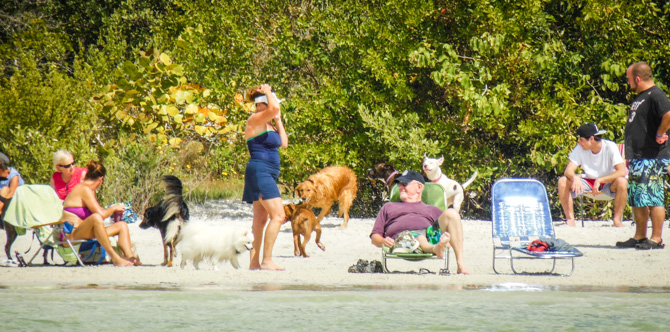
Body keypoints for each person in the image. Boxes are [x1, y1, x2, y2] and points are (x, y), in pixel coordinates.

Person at [370, 170, 470, 274]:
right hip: (401, 241)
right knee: (419, 237)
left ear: (419, 187)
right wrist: (383, 241)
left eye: (405, 184)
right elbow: (374, 237)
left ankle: (460, 265)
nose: (400, 188)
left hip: (429, 236)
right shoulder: (388, 207)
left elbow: (450, 227)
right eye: (400, 184)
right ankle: (435, 248)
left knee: (452, 213)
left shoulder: (432, 209)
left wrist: (447, 240)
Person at [618, 61, 670, 249]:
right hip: (639, 157)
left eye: (629, 78)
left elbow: (668, 115)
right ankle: (640, 236)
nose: (628, 81)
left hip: (653, 156)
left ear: (637, 78)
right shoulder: (641, 96)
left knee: (654, 196)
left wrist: (659, 134)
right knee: (637, 196)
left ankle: (656, 238)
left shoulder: (656, 95)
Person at [242, 84, 288, 270]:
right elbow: (274, 107)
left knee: (260, 220)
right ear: (262, 104)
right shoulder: (255, 119)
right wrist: (268, 91)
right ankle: (267, 260)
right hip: (260, 170)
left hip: (266, 172)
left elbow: (283, 143)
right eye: (271, 101)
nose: (276, 106)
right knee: (279, 215)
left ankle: (254, 264)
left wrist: (278, 121)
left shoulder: (268, 123)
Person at [62, 160, 140, 266]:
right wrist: (114, 208)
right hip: (72, 234)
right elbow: (101, 214)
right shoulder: (84, 189)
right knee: (96, 218)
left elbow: (100, 212)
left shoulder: (89, 190)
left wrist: (114, 210)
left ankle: (130, 257)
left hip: (86, 231)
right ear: (101, 179)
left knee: (122, 225)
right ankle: (115, 258)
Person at [557, 123, 627, 227]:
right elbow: (568, 170)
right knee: (562, 181)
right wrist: (575, 177)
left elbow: (621, 171)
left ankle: (617, 220)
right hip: (588, 181)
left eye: (581, 140)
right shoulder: (580, 148)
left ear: (591, 139)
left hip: (608, 182)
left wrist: (600, 180)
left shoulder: (610, 146)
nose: (579, 143)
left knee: (622, 181)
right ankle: (570, 219)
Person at [0, 153, 24, 259]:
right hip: (4, 208)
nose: (8, 171)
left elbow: (12, 193)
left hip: (14, 205)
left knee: (5, 189)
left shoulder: (13, 175)